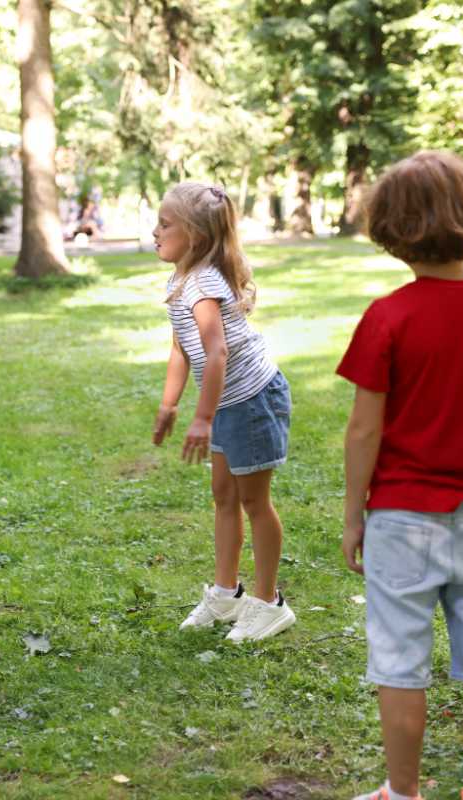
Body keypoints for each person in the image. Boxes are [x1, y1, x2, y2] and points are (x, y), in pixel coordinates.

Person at [338, 152, 463, 800]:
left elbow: (365, 430)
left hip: (399, 518)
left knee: (400, 663)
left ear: (392, 229)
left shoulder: (388, 317)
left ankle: (403, 792)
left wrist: (353, 515)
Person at [151, 181, 296, 643]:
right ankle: (226, 593)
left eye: (165, 223)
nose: (155, 231)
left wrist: (202, 417)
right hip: (227, 402)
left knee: (254, 501)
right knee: (223, 495)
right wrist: (170, 403)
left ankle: (269, 602)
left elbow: (216, 354)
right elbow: (182, 348)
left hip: (251, 399)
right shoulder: (180, 280)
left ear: (193, 235)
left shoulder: (203, 283)